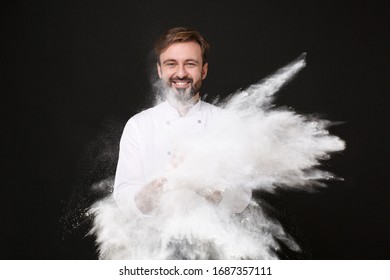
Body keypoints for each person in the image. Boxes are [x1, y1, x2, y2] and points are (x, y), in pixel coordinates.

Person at [113, 27, 252, 217]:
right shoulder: (139, 125)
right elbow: (124, 198)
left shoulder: (226, 123)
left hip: (214, 240)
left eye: (190, 64)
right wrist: (160, 186)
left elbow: (242, 198)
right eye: (171, 64)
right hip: (153, 243)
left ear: (203, 70)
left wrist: (201, 185)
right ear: (160, 70)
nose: (181, 73)